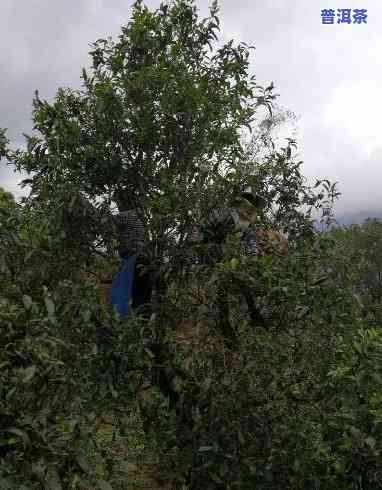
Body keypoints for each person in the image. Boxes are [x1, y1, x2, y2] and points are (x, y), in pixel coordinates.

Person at [109, 189, 153, 318]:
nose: (117, 206)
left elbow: (104, 221)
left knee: (122, 293)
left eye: (118, 202)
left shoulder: (127, 215)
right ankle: (144, 327)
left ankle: (125, 325)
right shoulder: (141, 217)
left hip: (135, 259)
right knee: (142, 296)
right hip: (145, 260)